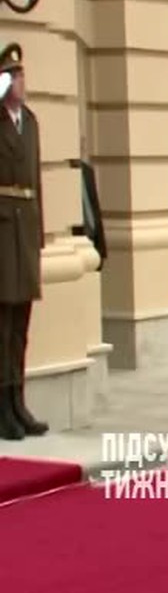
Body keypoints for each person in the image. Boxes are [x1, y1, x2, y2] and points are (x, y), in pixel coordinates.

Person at [0, 43, 48, 441]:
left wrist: (38, 235)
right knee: (2, 329)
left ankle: (19, 401)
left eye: (21, 75)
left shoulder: (30, 121)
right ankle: (3, 407)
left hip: (25, 234)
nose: (20, 82)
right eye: (12, 76)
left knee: (20, 328)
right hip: (2, 234)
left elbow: (36, 181)